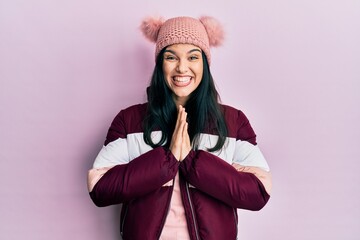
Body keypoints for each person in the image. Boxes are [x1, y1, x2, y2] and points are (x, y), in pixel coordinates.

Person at [87, 16, 272, 240]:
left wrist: (193, 161)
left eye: (193, 57)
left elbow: (258, 192)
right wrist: (167, 159)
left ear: (204, 63)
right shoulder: (130, 120)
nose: (182, 68)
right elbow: (100, 188)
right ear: (160, 64)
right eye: (171, 57)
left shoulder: (233, 122)